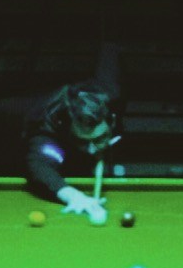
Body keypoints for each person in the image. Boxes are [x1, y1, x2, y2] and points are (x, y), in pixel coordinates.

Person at [18, 79, 123, 217]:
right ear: (68, 124)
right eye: (82, 141)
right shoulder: (46, 126)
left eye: (99, 138)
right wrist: (73, 196)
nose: (91, 150)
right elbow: (40, 165)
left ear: (112, 120)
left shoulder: (111, 101)